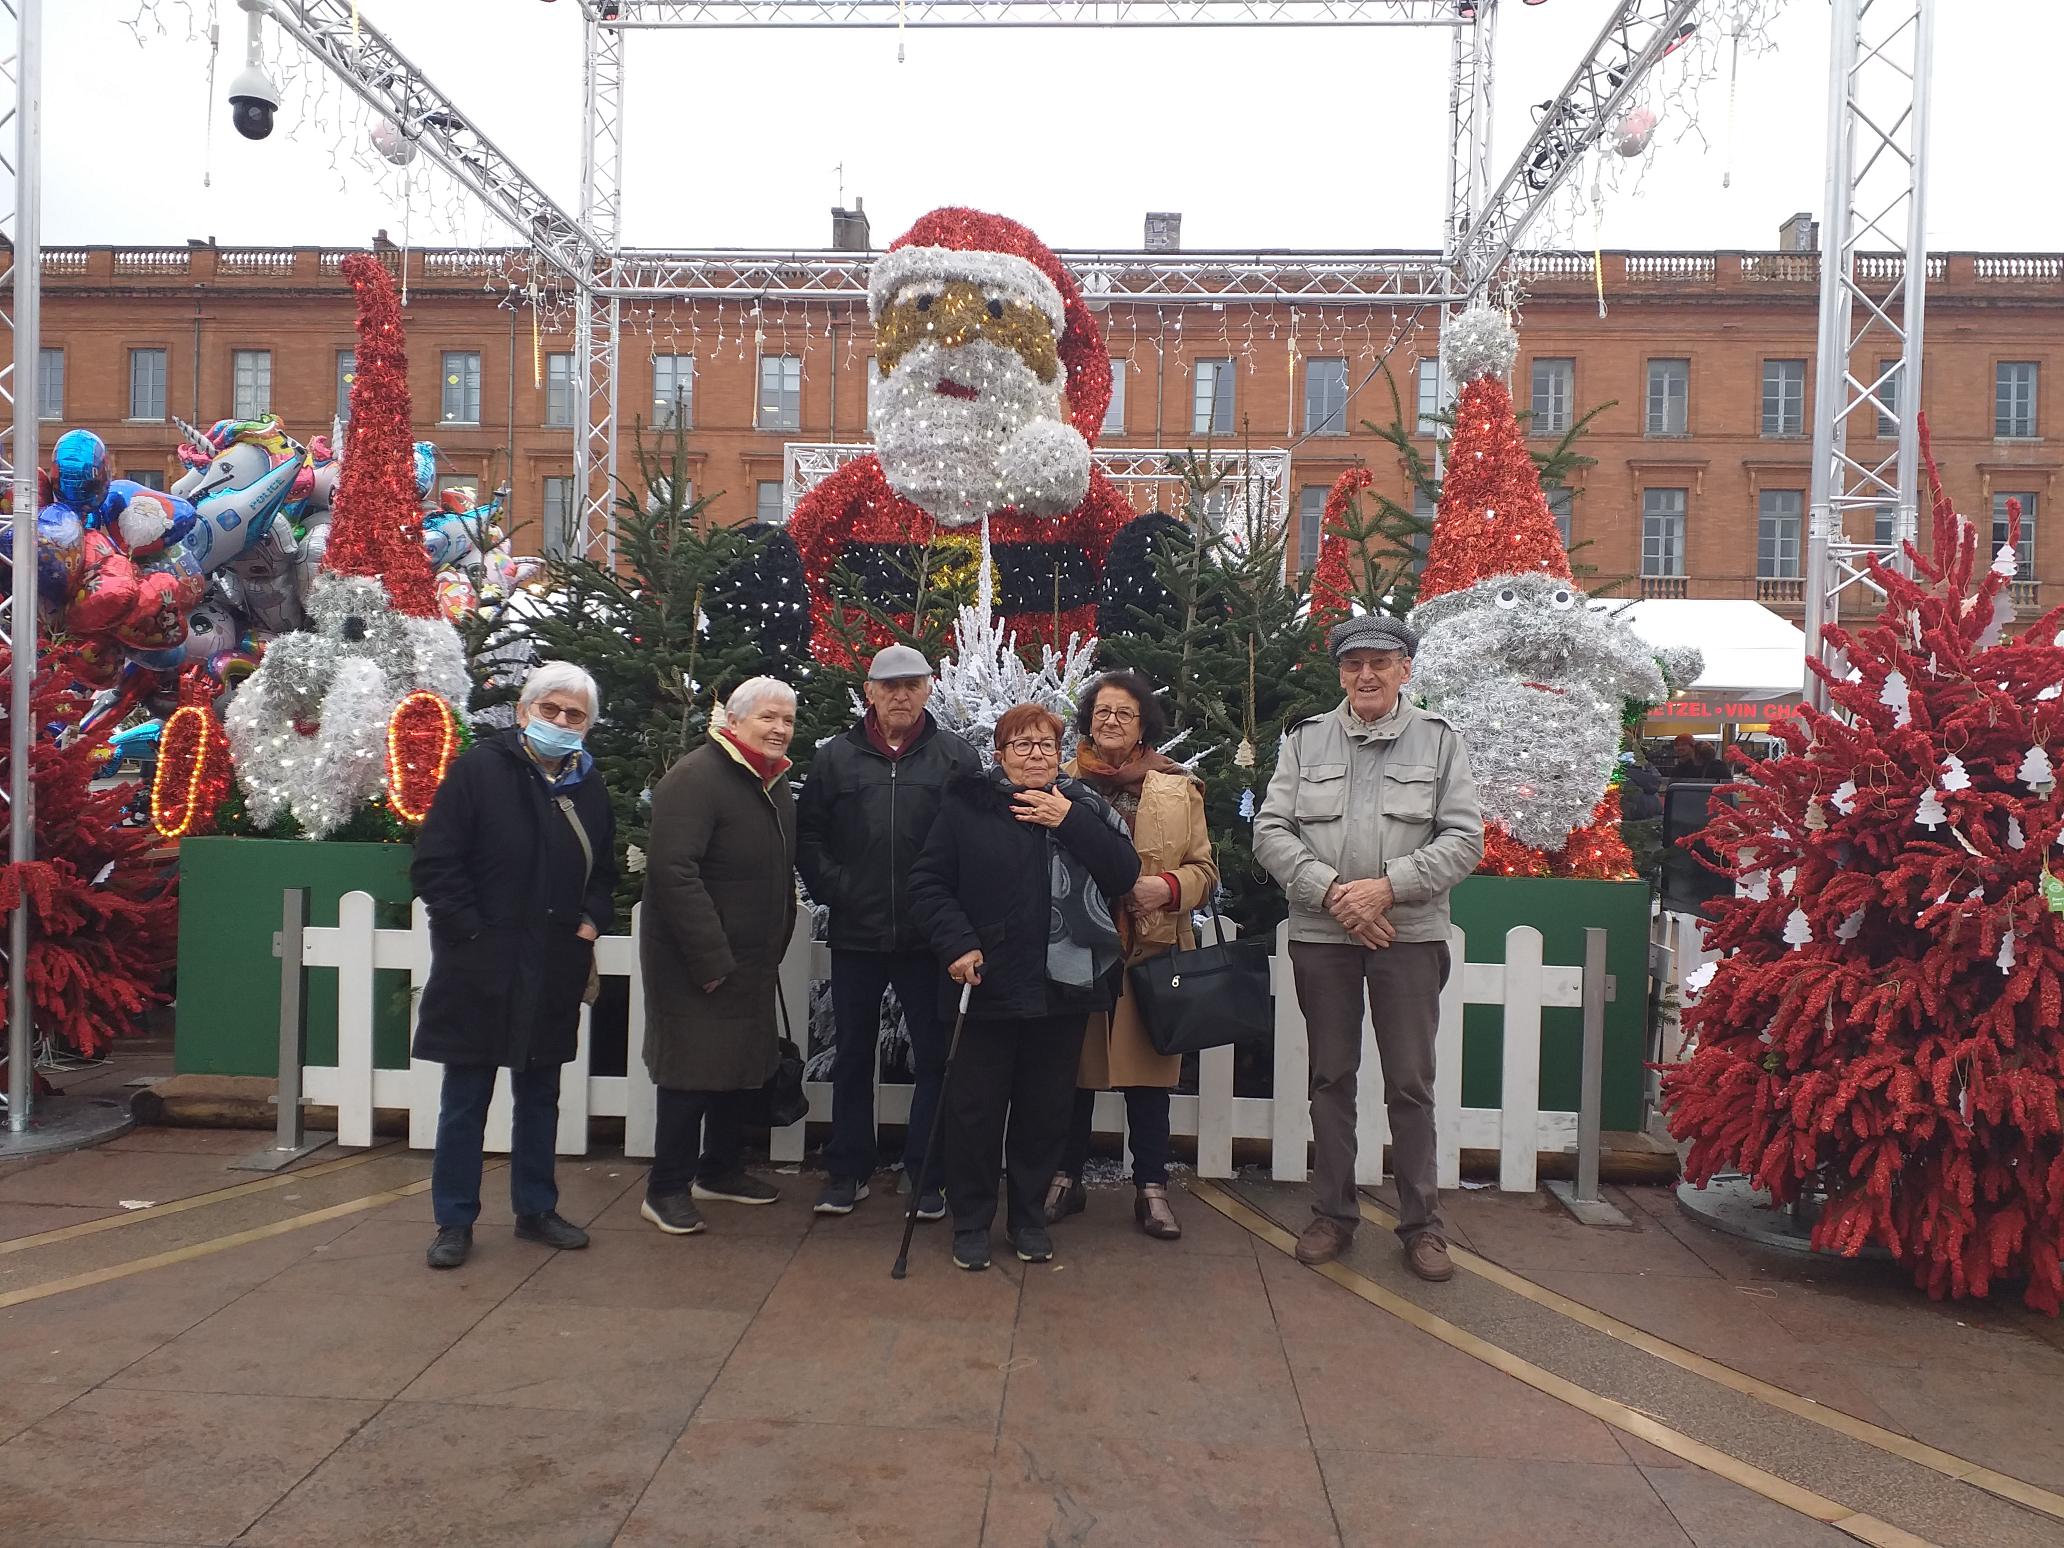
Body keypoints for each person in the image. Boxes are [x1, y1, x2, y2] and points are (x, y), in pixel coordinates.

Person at [1254, 615, 1484, 1281]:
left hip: (1407, 935)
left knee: (1410, 1082)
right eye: (1354, 664)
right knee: (1331, 1077)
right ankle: (1332, 1213)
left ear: (1405, 669)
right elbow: (1271, 829)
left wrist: (1386, 891)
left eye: (1381, 663)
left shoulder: (1439, 743)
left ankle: (1422, 1226)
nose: (1367, 675)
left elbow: (1464, 839)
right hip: (1324, 934)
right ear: (1340, 673)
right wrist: (1334, 895)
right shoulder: (1306, 741)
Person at [908, 703, 1141, 1271]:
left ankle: (1029, 1219)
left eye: (1046, 745)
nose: (1035, 755)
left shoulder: (1081, 805)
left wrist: (1067, 820)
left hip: (1061, 988)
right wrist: (958, 943)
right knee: (975, 1112)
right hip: (984, 981)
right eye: (1022, 745)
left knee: (1045, 1110)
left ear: (1060, 753)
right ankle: (970, 1221)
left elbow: (1123, 874)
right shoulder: (967, 806)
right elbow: (929, 883)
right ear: (1000, 753)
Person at [412, 661, 615, 1271]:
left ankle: (535, 1209)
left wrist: (590, 921)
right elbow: (436, 864)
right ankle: (454, 1219)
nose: (560, 722)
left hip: (553, 960)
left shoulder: (588, 786)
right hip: (482, 962)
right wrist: (469, 933)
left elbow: (603, 869)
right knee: (466, 1098)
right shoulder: (479, 771)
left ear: (588, 725)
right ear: (524, 712)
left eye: (574, 715)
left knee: (540, 1096)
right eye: (550, 709)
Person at [796, 644, 981, 1219]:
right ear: (870, 692)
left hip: (928, 942)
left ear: (930, 688)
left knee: (934, 1057)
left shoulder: (956, 758)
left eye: (912, 684)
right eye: (889, 685)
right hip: (857, 935)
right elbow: (810, 840)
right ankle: (847, 1169)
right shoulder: (835, 759)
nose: (901, 695)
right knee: (853, 1055)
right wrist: (839, 889)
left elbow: (975, 845)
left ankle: (924, 1173)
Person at [1046, 670, 1218, 1241]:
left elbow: (1205, 872)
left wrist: (1167, 887)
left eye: (1124, 712)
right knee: (1071, 1071)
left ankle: (1151, 1190)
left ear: (1144, 724)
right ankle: (1064, 1179)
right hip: (1075, 948)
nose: (1111, 721)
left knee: (1148, 1080)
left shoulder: (1176, 787)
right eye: (1101, 712)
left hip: (1151, 949)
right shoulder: (1059, 781)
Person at [638, 677, 799, 1237]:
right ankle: (665, 1190)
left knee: (736, 1069)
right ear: (734, 722)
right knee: (690, 1076)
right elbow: (673, 873)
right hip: (699, 962)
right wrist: (709, 958)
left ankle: (721, 1171)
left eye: (787, 721)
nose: (779, 729)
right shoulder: (696, 778)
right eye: (768, 719)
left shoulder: (767, 782)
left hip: (748, 960)